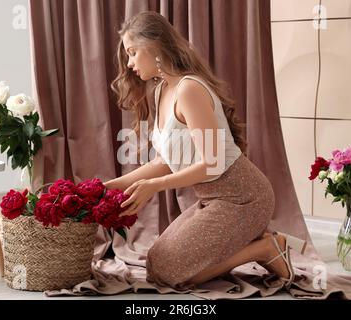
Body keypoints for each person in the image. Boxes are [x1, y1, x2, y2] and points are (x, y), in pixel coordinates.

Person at [105, 11, 306, 291]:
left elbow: (211, 164)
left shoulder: (189, 90)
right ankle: (251, 239)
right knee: (155, 264)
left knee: (171, 272)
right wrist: (109, 187)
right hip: (212, 199)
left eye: (133, 52)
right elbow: (167, 162)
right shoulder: (161, 90)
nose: (129, 63)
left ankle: (264, 248)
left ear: (155, 47)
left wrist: (154, 186)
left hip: (244, 197)